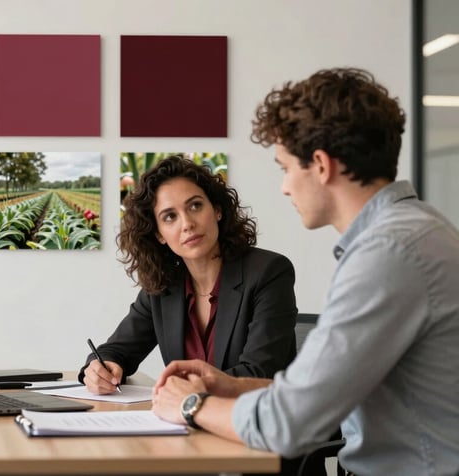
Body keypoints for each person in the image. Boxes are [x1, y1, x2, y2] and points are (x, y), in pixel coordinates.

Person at [152, 67, 459, 476]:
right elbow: (318, 392)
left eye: (285, 167)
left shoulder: (389, 253)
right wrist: (232, 386)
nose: (284, 187)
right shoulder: (412, 232)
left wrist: (192, 406)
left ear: (320, 165)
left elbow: (289, 424)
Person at [79, 155, 298, 393]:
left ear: (217, 210)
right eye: (170, 216)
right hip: (193, 424)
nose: (187, 224)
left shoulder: (268, 272)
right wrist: (101, 367)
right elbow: (116, 350)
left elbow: (259, 375)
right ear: (159, 234)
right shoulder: (163, 286)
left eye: (195, 206)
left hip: (263, 425)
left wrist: (187, 389)